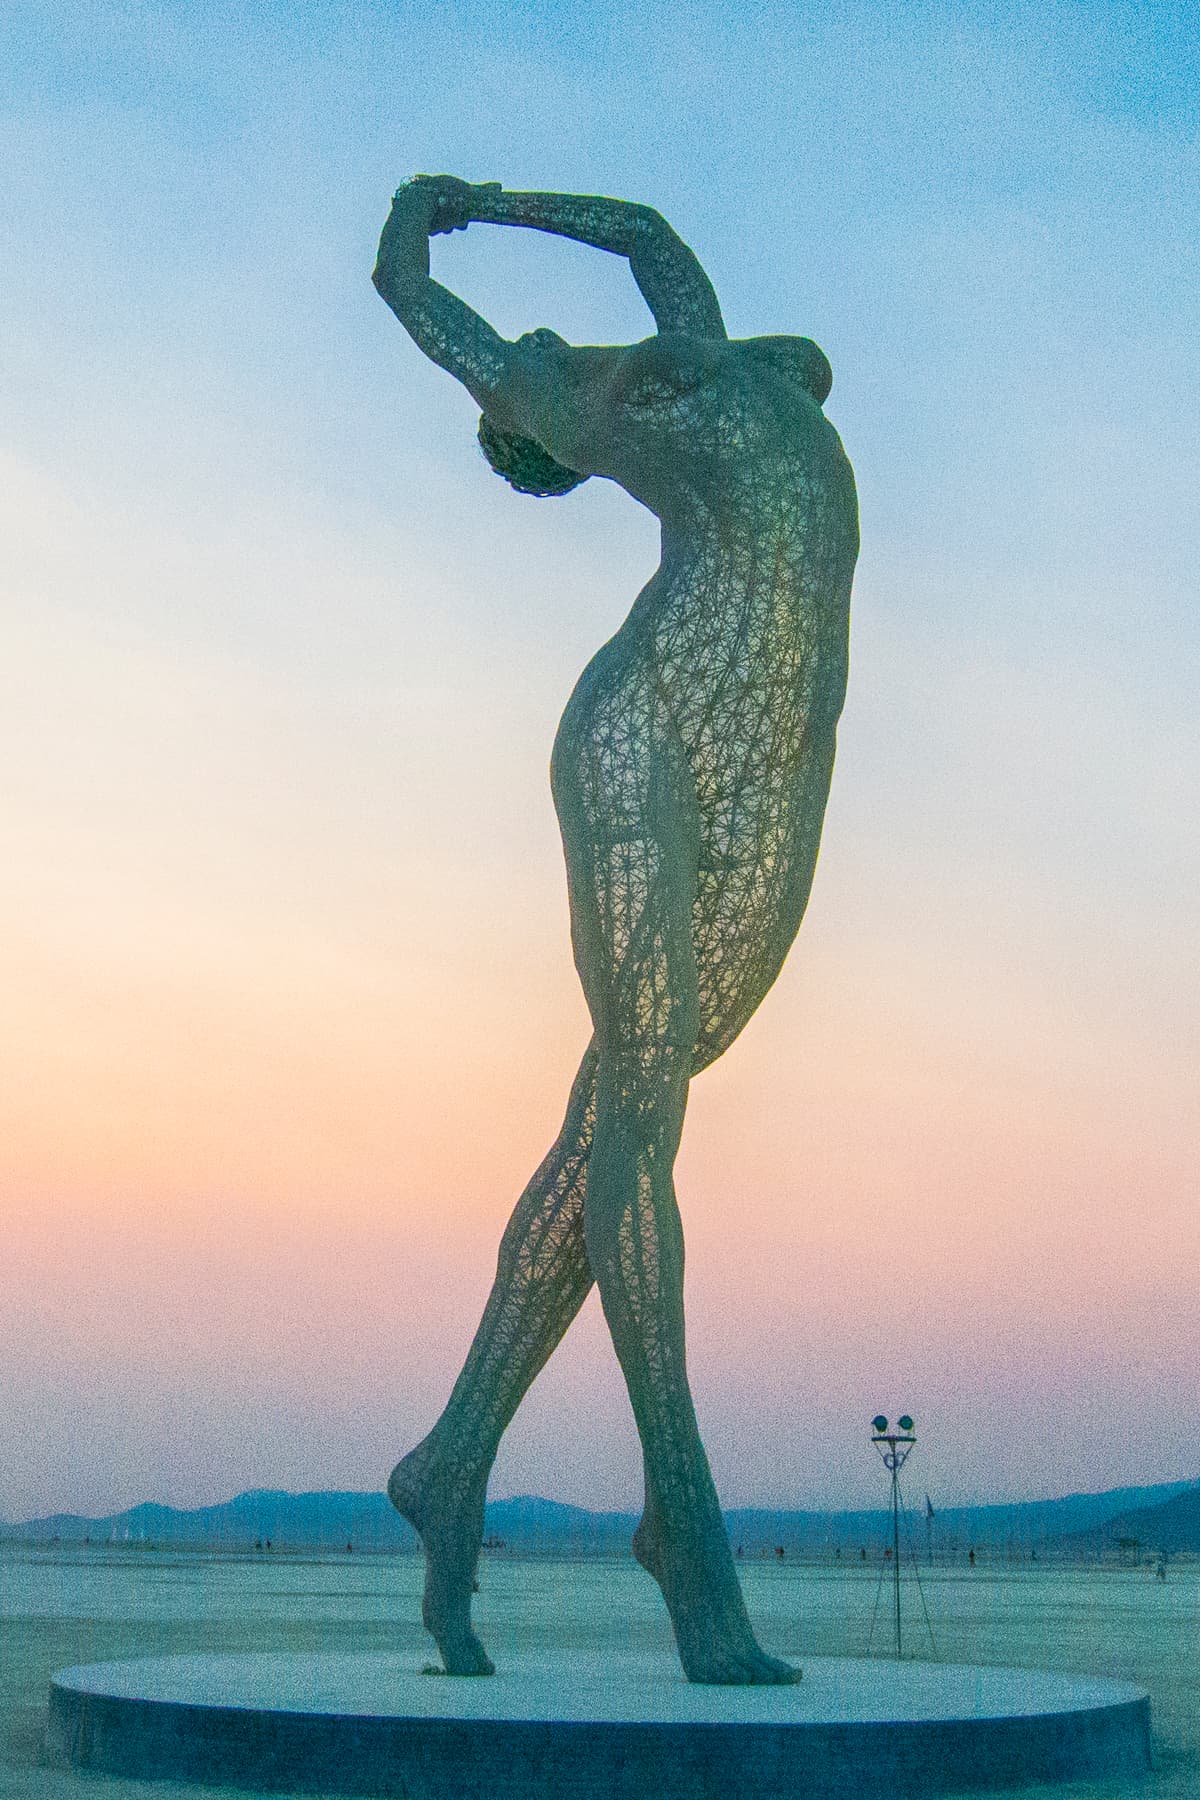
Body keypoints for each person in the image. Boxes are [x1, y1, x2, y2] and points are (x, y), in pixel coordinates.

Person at [373, 177, 859, 1684]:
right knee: (643, 1115)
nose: (525, 347)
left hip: (763, 748)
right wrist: (430, 214)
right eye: (509, 381)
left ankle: (454, 1457)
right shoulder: (572, 400)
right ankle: (686, 1534)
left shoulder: (689, 357)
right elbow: (416, 298)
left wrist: (496, 201)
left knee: (614, 1119)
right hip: (643, 732)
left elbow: (653, 236)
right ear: (535, 443)